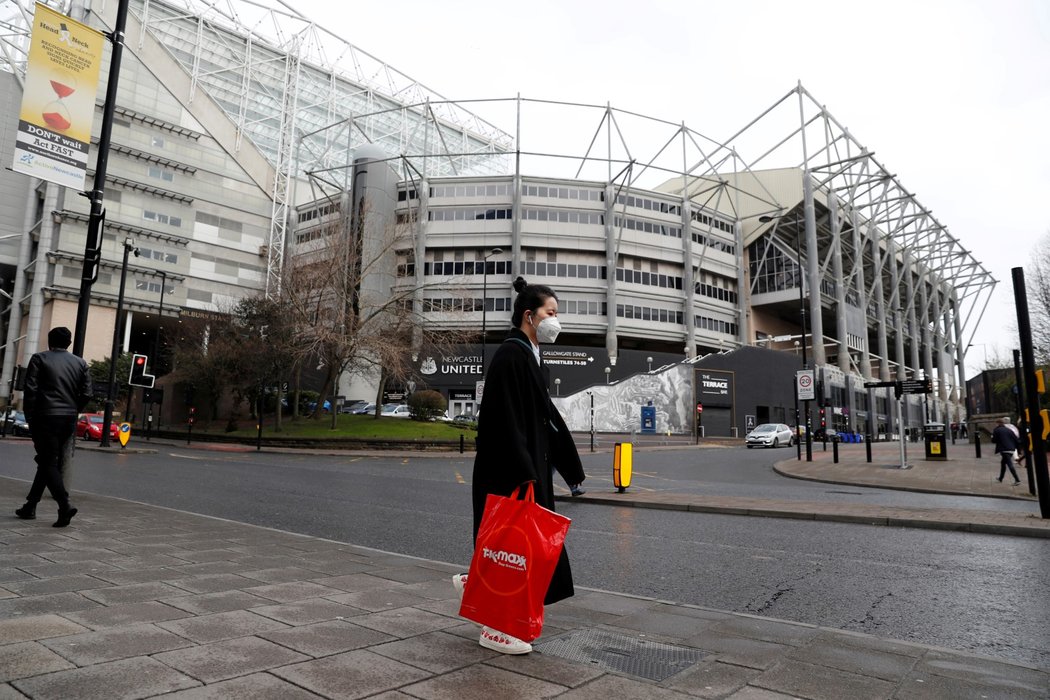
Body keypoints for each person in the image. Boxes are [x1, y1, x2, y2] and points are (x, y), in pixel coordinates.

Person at [454, 277, 585, 654]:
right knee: (520, 550)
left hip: (521, 468)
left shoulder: (527, 354)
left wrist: (569, 469)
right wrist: (525, 471)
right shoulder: (513, 355)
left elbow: (545, 417)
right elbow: (503, 419)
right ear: (530, 316)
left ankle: (479, 581)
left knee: (516, 548)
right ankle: (495, 627)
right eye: (551, 313)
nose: (556, 321)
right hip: (511, 471)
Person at [15, 327, 91, 527]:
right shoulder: (80, 363)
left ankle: (64, 505)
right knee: (47, 461)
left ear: (50, 341)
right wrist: (74, 410)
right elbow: (87, 393)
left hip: (45, 417)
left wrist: (30, 417)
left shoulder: (40, 359)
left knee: (48, 461)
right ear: (69, 343)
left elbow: (30, 390)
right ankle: (30, 506)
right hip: (67, 419)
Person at [991, 416, 1021, 486]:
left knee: (1009, 464)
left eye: (996, 423)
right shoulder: (1009, 430)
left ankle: (1017, 479)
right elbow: (1016, 440)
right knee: (1003, 463)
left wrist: (995, 438)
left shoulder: (996, 430)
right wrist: (1017, 450)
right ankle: (1000, 478)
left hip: (1004, 449)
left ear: (998, 423)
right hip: (1011, 448)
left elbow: (993, 440)